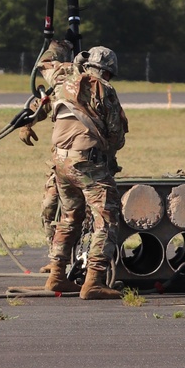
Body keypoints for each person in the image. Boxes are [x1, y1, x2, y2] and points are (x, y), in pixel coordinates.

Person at [43, 45, 128, 300]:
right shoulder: (105, 89)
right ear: (109, 71)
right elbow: (116, 134)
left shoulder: (64, 81)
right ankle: (93, 281)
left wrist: (62, 47)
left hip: (59, 162)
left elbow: (45, 65)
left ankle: (56, 275)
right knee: (107, 217)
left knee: (70, 216)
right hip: (86, 163)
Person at [19, 39, 74, 271]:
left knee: (80, 215)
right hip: (61, 162)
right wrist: (27, 122)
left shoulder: (88, 83)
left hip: (88, 163)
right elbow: (46, 104)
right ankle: (57, 260)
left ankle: (81, 262)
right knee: (50, 208)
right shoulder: (64, 86)